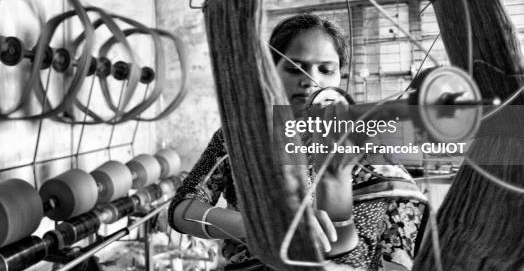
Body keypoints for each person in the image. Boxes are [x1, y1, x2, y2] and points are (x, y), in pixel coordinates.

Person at [168, 14, 426, 270]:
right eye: (294, 68)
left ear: (340, 77)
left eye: (325, 69)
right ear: (270, 72)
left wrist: (333, 188)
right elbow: (182, 209)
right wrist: (259, 226)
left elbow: (355, 258)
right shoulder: (238, 135)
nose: (310, 80)